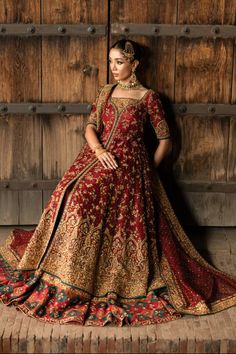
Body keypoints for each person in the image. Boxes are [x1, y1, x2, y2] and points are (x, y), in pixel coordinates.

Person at [0, 39, 236, 327]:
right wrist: (99, 150)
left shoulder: (148, 97)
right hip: (95, 158)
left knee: (84, 200)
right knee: (70, 193)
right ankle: (62, 268)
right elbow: (90, 126)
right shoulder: (106, 91)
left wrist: (147, 170)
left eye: (119, 62)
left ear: (134, 65)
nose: (113, 67)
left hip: (130, 166)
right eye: (111, 61)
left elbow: (165, 140)